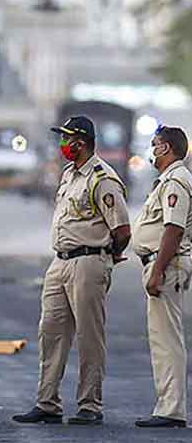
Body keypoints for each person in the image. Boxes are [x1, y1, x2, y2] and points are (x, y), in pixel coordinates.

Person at [13, 116, 131, 426]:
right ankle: (47, 402)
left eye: (66, 138)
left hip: (88, 262)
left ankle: (90, 404)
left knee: (89, 335)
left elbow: (122, 230)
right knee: (50, 332)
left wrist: (106, 257)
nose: (62, 144)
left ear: (81, 142)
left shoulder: (101, 177)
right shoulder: (69, 175)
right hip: (60, 261)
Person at [133, 126, 192, 428]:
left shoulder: (176, 182)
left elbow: (174, 229)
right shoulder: (170, 180)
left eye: (155, 145)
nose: (151, 149)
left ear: (166, 148)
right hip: (163, 264)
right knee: (163, 338)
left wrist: (157, 272)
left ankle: (171, 410)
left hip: (166, 265)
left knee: (167, 340)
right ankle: (169, 406)